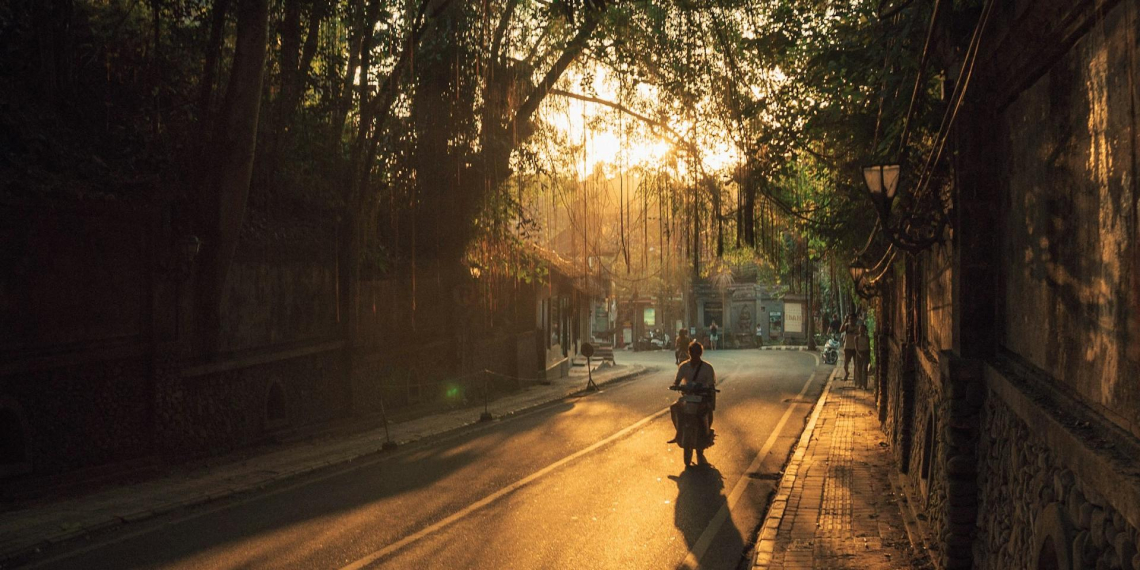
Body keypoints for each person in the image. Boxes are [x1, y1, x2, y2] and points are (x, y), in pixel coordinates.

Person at [667, 341, 716, 465]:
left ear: (700, 354)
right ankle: (678, 431)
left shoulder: (707, 368)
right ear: (689, 353)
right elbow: (677, 381)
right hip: (688, 397)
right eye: (692, 353)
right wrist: (675, 386)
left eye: (696, 354)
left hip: (702, 398)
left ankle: (706, 433)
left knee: (706, 411)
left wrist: (710, 395)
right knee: (674, 407)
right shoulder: (683, 367)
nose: (694, 356)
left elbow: (711, 385)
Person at [840, 314, 859, 380]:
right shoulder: (847, 326)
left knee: (856, 363)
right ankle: (847, 373)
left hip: (855, 347)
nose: (851, 320)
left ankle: (855, 377)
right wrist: (845, 321)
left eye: (852, 319)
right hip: (847, 347)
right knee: (846, 363)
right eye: (850, 319)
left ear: (855, 320)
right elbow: (841, 330)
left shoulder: (858, 327)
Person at [855, 323, 872, 389]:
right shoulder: (856, 338)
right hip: (859, 354)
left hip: (866, 354)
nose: (861, 330)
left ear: (865, 330)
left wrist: (869, 356)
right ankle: (860, 384)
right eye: (860, 328)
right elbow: (856, 348)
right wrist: (859, 354)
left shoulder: (867, 337)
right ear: (859, 329)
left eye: (863, 329)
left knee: (864, 369)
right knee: (859, 370)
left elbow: (868, 346)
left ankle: (865, 385)